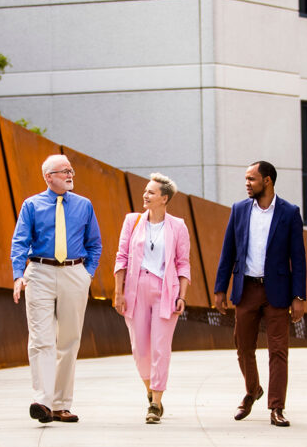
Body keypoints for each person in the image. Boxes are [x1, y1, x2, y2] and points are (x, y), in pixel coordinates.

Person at [214, 161, 306, 427]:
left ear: (267, 181)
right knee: (243, 347)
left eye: (251, 179)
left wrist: (298, 296)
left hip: (277, 291)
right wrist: (220, 288)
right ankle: (253, 390)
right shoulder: (239, 210)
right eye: (246, 179)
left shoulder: (289, 212)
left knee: (278, 350)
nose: (247, 184)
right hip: (246, 289)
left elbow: (297, 258)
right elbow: (228, 251)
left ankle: (276, 407)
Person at [11, 154, 102, 424]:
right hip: (39, 272)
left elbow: (95, 243)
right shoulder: (32, 205)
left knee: (69, 340)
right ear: (48, 177)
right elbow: (20, 242)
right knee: (41, 339)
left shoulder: (84, 205)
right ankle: (43, 401)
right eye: (63, 171)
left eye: (71, 170)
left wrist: (87, 274)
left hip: (75, 272)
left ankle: (61, 404)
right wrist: (19, 275)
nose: (70, 174)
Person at [113, 173, 191, 424]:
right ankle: (150, 390)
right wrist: (118, 292)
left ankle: (155, 403)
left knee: (160, 347)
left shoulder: (178, 226)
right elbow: (121, 257)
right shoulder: (132, 221)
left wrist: (182, 295)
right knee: (140, 349)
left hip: (165, 291)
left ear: (164, 198)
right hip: (135, 290)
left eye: (151, 193)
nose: (145, 195)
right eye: (145, 191)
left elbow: (183, 263)